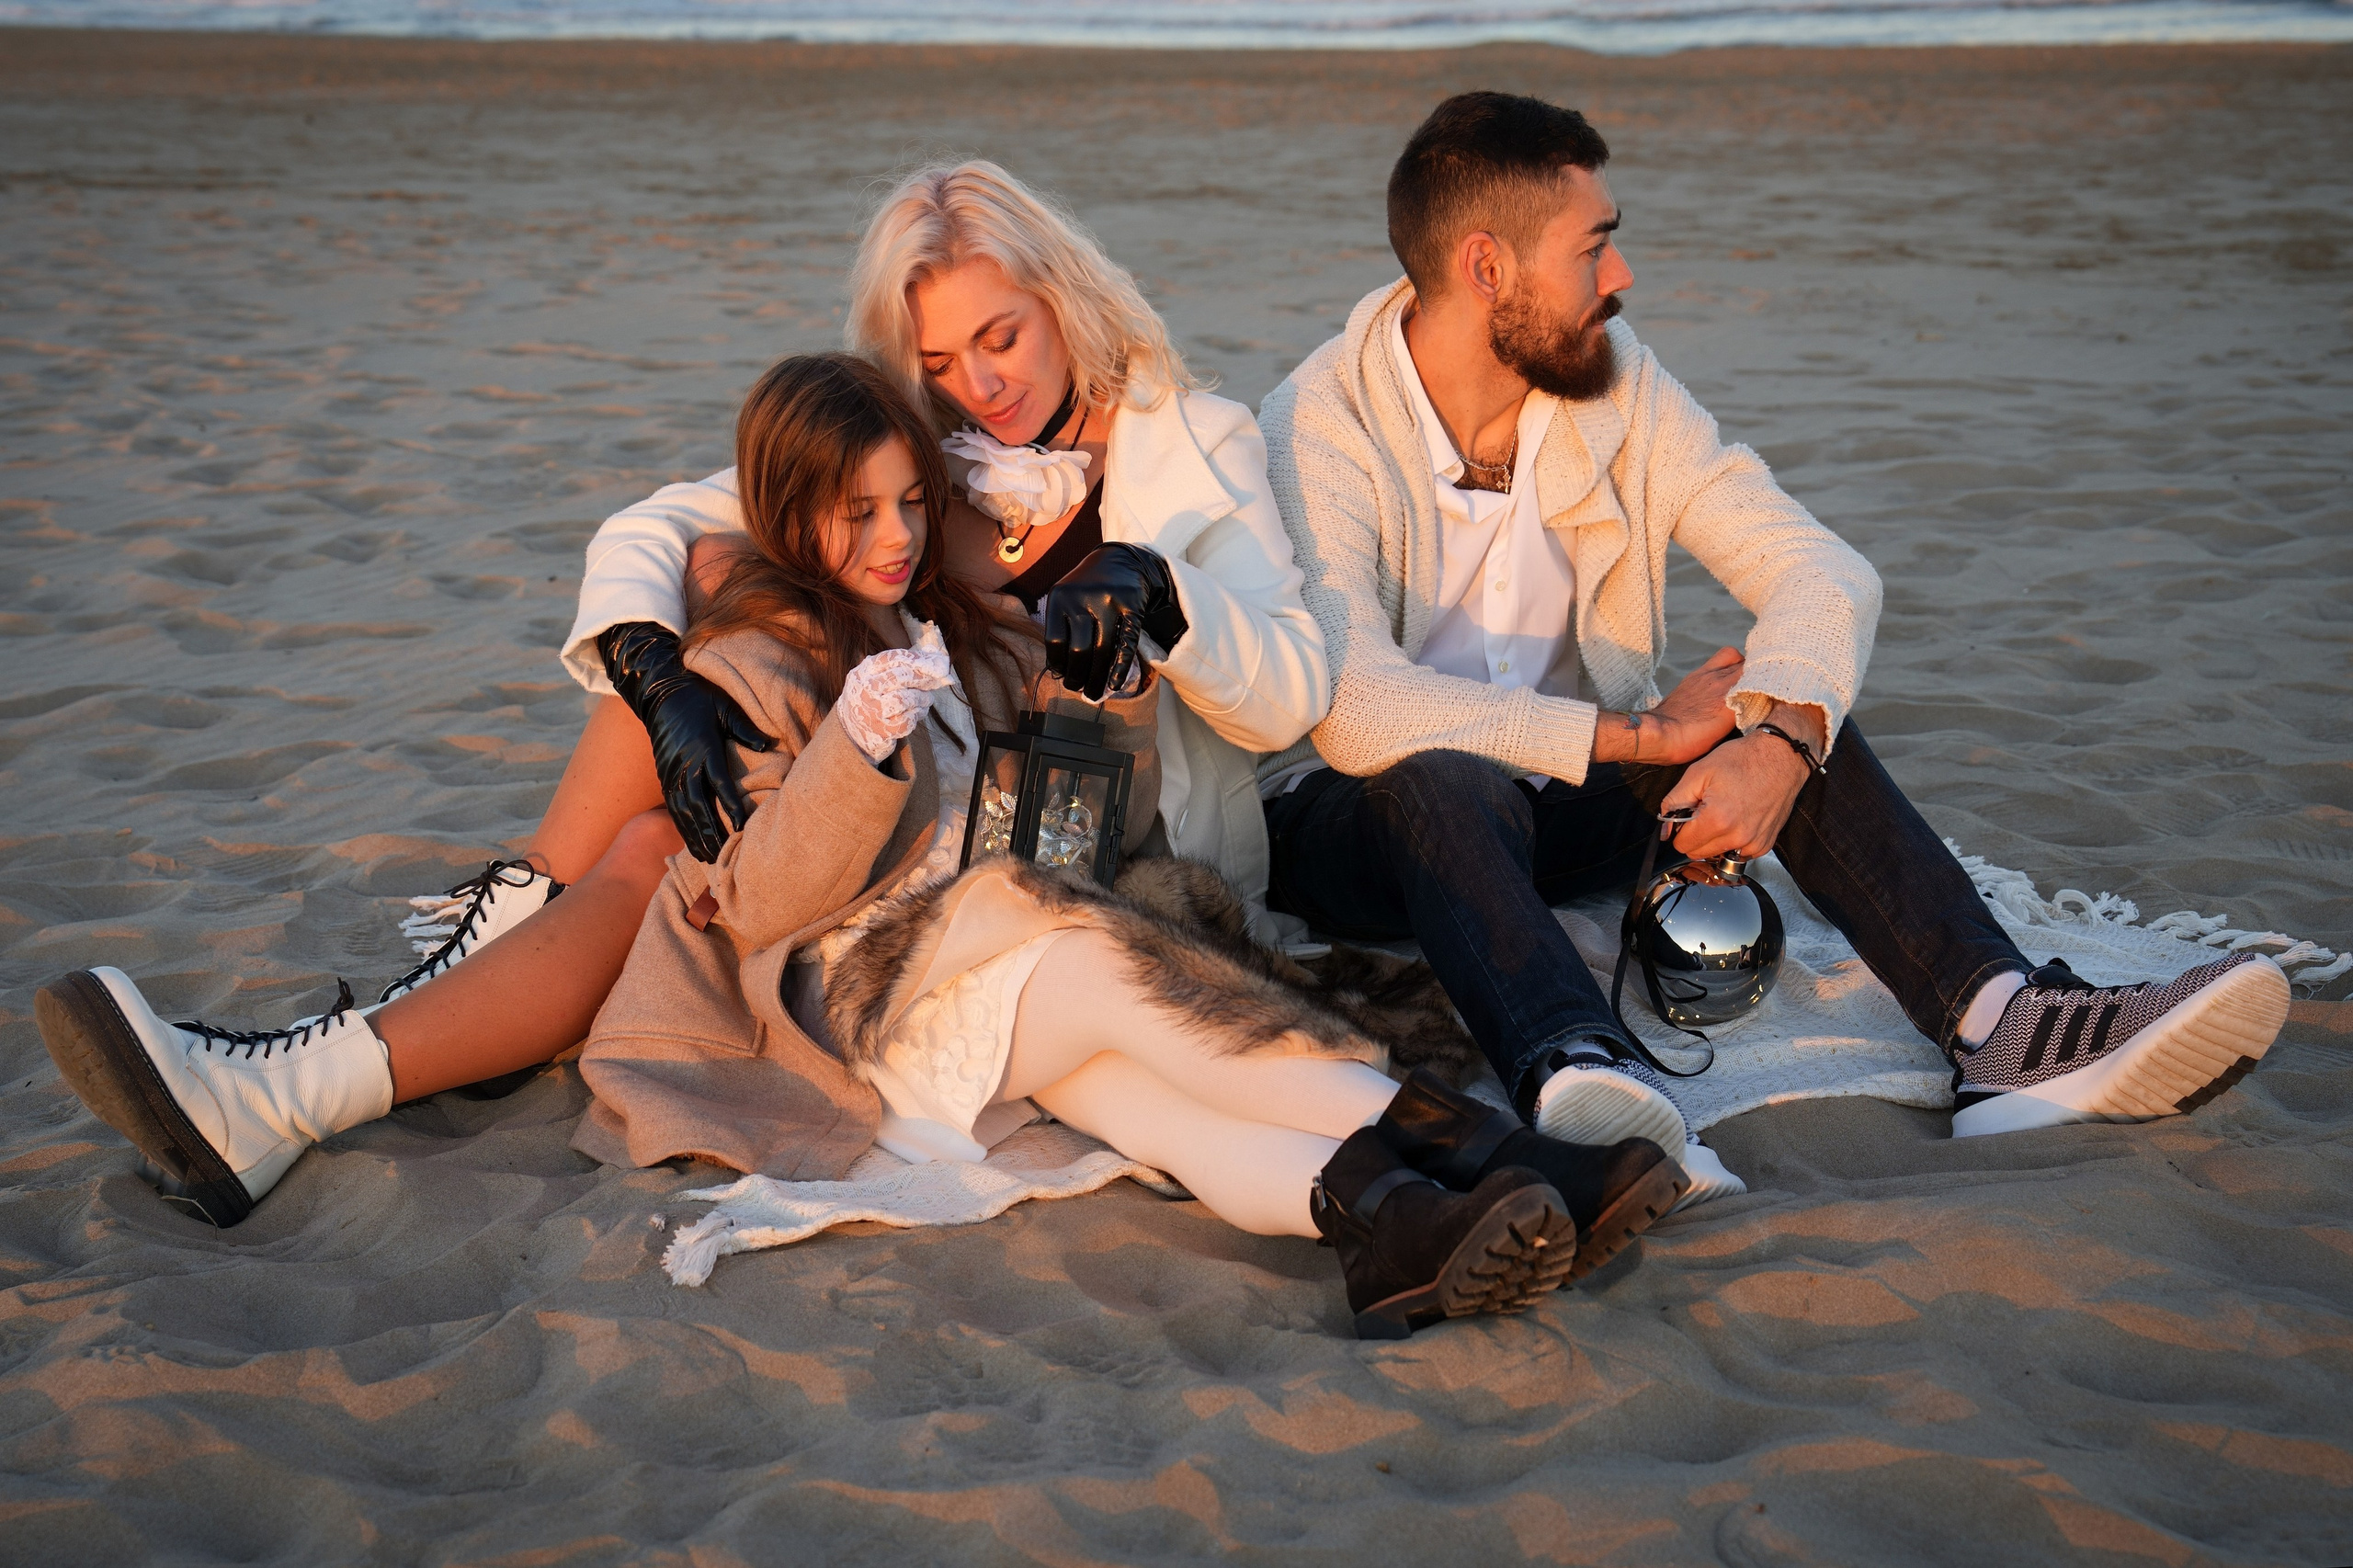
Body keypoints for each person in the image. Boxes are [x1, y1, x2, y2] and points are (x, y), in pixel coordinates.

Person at [35, 354, 1691, 1338]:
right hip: (876, 993)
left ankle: (1386, 1218)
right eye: (862, 514)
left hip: (991, 971)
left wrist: (1097, 686)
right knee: (1114, 970)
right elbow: (762, 889)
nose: (899, 537)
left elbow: (1079, 796)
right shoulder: (770, 657)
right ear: (790, 518)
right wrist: (854, 739)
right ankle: (1489, 1150)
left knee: (1145, 1080)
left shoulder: (958, 621)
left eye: (914, 504)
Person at [1255, 91, 2291, 1165]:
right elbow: (1355, 706)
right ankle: (1584, 1075)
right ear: (1487, 267)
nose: (1621, 276)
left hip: (1557, 803)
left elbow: (1818, 568)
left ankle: (2003, 1025)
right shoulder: (1315, 427)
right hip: (1355, 827)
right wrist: (1641, 736)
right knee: (1439, 774)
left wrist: (1780, 739)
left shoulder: (1614, 384)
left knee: (1783, 688)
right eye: (1593, 248)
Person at [391, 157, 1330, 1007]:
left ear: (1063, 300)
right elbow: (658, 523)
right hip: (914, 797)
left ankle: (518, 956)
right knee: (701, 601)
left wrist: (1164, 593)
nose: (980, 387)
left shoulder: (1197, 441)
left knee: (665, 824)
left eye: (1001, 338)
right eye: (939, 361)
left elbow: (1291, 697)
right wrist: (651, 671)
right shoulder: (919, 440)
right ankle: (527, 899)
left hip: (1095, 836)